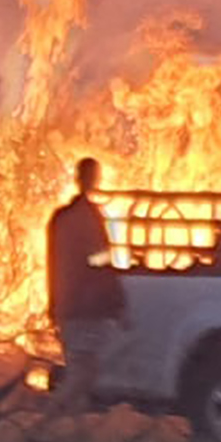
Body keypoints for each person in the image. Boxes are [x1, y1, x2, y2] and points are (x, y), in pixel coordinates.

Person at [46, 157, 127, 412]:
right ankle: (49, 418)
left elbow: (56, 262)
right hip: (83, 306)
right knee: (85, 371)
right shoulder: (86, 217)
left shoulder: (62, 217)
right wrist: (116, 301)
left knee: (82, 371)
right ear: (86, 179)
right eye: (93, 175)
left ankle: (68, 435)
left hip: (68, 303)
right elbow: (98, 261)